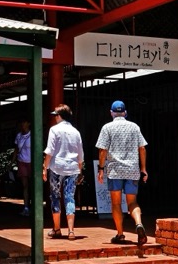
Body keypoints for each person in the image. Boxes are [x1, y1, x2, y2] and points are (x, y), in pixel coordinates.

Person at [95, 100, 149, 246]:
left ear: (111, 112)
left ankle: (120, 233)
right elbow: (142, 148)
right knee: (133, 202)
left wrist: (101, 169)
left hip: (114, 171)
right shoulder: (134, 127)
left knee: (116, 203)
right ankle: (138, 223)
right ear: (125, 112)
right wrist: (143, 168)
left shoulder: (107, 127)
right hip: (132, 170)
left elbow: (102, 150)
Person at [42, 104, 84, 241]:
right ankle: (71, 231)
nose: (54, 117)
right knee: (69, 197)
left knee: (55, 196)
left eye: (55, 115)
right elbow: (80, 154)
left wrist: (44, 168)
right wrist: (80, 170)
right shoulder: (76, 132)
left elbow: (49, 151)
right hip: (72, 168)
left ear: (60, 116)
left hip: (56, 167)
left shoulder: (54, 130)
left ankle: (57, 229)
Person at [14, 119, 32, 216]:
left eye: (24, 122)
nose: (23, 124)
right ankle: (26, 207)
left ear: (28, 123)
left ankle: (33, 206)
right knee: (25, 185)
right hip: (22, 162)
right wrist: (12, 162)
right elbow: (16, 149)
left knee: (32, 185)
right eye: (21, 122)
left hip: (31, 162)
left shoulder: (33, 135)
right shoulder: (19, 136)